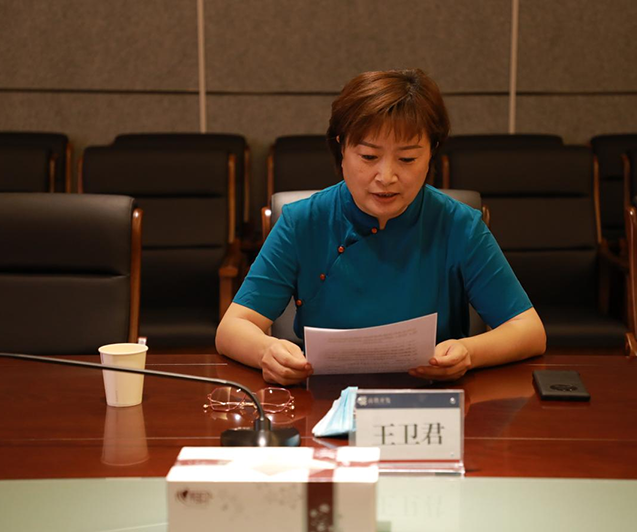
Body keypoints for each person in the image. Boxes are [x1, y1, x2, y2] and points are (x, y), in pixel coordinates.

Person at [217, 69, 546, 385]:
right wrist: (267, 352)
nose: (386, 177)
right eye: (369, 157)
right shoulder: (303, 222)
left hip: (434, 396)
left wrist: (468, 352)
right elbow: (232, 328)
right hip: (323, 398)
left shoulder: (458, 224)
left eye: (407, 159)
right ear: (342, 149)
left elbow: (529, 330)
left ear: (431, 154)